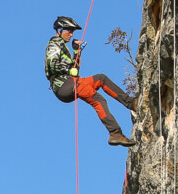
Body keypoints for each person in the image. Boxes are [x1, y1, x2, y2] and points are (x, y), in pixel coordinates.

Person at [44, 15, 138, 147]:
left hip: (69, 82)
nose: (71, 34)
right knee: (98, 100)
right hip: (63, 85)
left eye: (72, 31)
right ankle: (115, 132)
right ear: (60, 30)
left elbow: (75, 69)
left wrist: (77, 51)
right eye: (68, 31)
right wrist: (67, 70)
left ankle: (131, 103)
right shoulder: (54, 45)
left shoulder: (62, 46)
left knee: (101, 79)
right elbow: (51, 65)